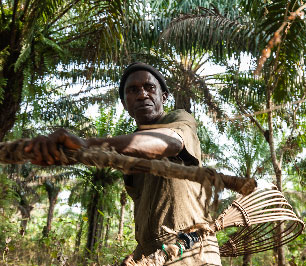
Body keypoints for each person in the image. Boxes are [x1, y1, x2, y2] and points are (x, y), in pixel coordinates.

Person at [24, 62, 222, 266]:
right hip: (156, 258)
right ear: (125, 104)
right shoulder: (128, 152)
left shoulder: (178, 119)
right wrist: (137, 255)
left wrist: (84, 144)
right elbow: (154, 223)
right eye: (133, 90)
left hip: (193, 255)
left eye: (149, 87)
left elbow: (168, 142)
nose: (142, 94)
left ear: (163, 96)